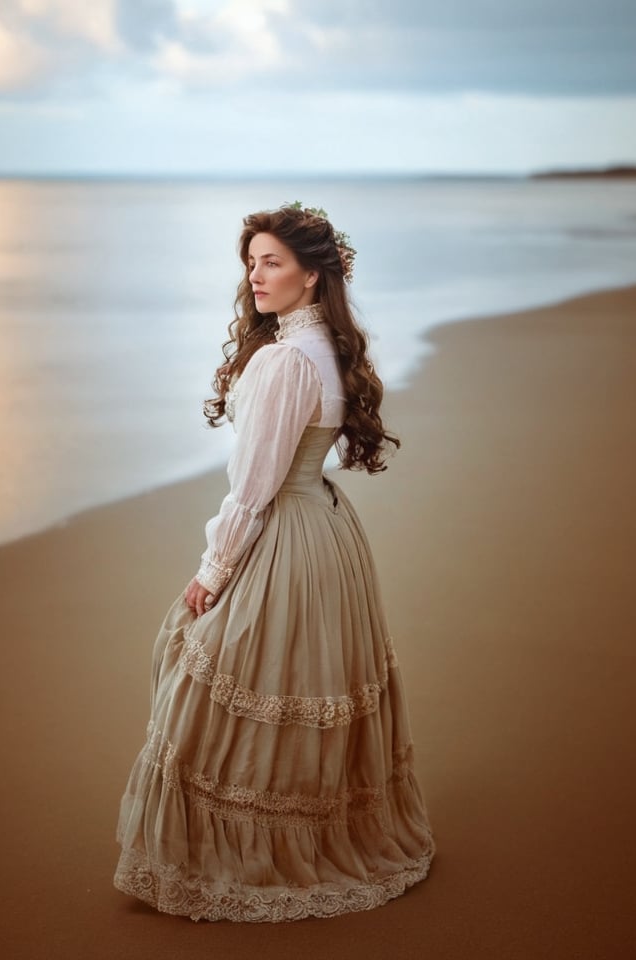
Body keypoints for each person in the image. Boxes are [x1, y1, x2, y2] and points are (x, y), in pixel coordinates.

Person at [113, 202, 435, 922]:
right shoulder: (326, 345)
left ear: (312, 277)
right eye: (251, 262)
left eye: (272, 262)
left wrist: (213, 571)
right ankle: (317, 828)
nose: (256, 277)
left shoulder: (287, 360)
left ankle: (237, 856)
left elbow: (254, 487)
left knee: (216, 682)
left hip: (286, 530)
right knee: (299, 686)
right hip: (325, 527)